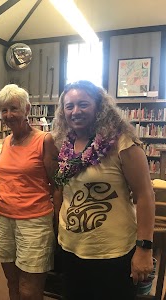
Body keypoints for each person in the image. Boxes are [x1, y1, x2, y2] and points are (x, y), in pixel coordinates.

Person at [52, 80, 155, 300]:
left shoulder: (122, 143)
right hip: (71, 248)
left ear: (99, 107)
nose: (75, 111)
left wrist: (144, 248)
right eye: (69, 106)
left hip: (112, 252)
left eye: (83, 104)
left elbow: (145, 195)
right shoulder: (63, 143)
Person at [0, 84, 61, 300]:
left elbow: (57, 185)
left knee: (29, 290)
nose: (8, 115)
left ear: (27, 109)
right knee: (12, 284)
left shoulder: (45, 140)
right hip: (3, 219)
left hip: (34, 222)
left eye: (14, 108)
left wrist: (58, 223)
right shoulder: (5, 141)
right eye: (4, 110)